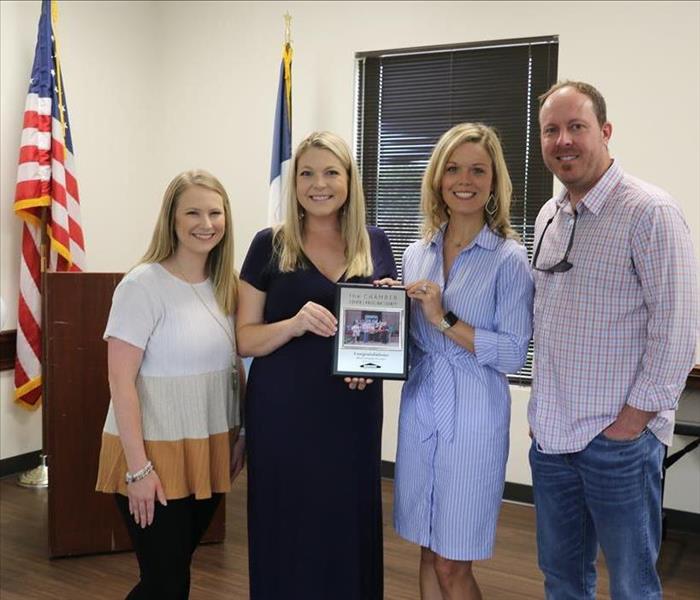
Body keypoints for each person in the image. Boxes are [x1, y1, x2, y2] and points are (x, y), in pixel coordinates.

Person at [529, 81, 698, 600]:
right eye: (551, 130)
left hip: (617, 443)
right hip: (552, 441)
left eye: (576, 127)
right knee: (563, 581)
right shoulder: (549, 217)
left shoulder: (650, 212)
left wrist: (630, 425)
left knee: (632, 586)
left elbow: (677, 331)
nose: (563, 141)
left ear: (604, 132)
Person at [236, 131, 397, 599]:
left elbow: (382, 329)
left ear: (350, 179)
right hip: (283, 414)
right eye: (307, 173)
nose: (318, 184)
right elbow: (244, 337)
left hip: (352, 412)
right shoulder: (269, 244)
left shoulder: (377, 242)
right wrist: (293, 323)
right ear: (294, 183)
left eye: (331, 172)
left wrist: (376, 351)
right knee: (286, 523)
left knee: (346, 519)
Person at [389, 123, 534, 599]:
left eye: (477, 169)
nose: (464, 179)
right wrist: (383, 312)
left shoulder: (509, 259)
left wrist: (444, 317)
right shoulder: (415, 252)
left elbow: (513, 352)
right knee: (428, 551)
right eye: (452, 168)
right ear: (437, 179)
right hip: (420, 410)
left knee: (454, 561)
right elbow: (409, 344)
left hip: (474, 418)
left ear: (494, 182)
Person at [95, 170, 245, 599]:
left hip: (209, 448)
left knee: (171, 574)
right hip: (151, 456)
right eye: (193, 212)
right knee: (166, 582)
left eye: (215, 212)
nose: (206, 223)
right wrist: (139, 469)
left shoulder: (227, 286)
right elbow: (119, 382)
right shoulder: (142, 285)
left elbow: (237, 369)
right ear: (172, 220)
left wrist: (242, 435)